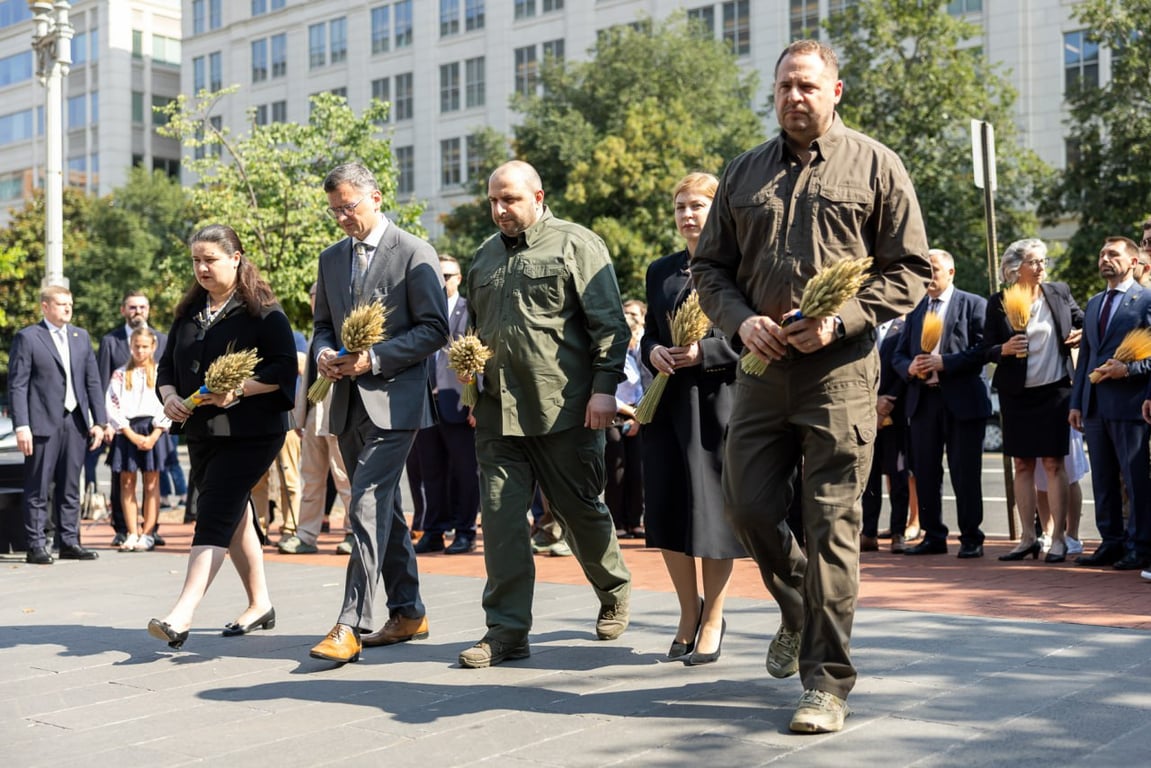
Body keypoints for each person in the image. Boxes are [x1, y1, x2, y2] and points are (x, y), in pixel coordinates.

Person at [690, 41, 930, 732]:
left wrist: (840, 320)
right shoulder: (744, 171)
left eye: (807, 85)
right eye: (783, 87)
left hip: (839, 376)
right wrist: (740, 322)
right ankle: (799, 605)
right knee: (746, 505)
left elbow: (910, 269)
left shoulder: (876, 165)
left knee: (831, 527)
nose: (794, 97)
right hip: (761, 371)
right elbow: (710, 269)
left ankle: (825, 684)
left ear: (835, 91)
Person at [459, 159, 633, 669]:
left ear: (538, 197)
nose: (500, 209)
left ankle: (614, 589)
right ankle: (507, 631)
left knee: (580, 512)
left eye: (510, 199)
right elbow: (474, 332)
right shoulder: (483, 257)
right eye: (493, 201)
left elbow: (610, 327)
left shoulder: (577, 244)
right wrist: (471, 387)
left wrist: (604, 391)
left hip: (565, 410)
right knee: (501, 522)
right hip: (498, 413)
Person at [308, 163, 448, 664]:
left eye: (348, 207)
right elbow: (322, 325)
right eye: (334, 211)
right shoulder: (330, 258)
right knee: (382, 508)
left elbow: (435, 329)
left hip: (397, 404)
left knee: (364, 502)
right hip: (347, 402)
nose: (342, 217)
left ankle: (351, 623)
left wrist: (374, 358)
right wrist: (324, 353)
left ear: (376, 196)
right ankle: (408, 612)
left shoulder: (414, 251)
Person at [149, 224, 297, 650]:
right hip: (201, 431)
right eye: (196, 260)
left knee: (214, 511)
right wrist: (170, 397)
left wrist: (240, 389)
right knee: (235, 513)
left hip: (253, 432)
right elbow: (166, 367)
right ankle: (260, 604)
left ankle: (182, 614)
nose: (201, 268)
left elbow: (284, 369)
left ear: (236, 258)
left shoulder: (264, 312)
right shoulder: (188, 313)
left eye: (210, 260)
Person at [642, 171, 743, 666]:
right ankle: (688, 611)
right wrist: (654, 351)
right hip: (666, 404)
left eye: (697, 206)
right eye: (680, 206)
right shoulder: (661, 271)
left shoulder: (741, 266)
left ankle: (714, 617)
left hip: (718, 404)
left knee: (712, 517)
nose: (687, 215)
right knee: (667, 511)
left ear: (717, 210)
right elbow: (648, 333)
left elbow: (752, 336)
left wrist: (707, 351)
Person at [983, 239, 1083, 563]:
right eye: (1034, 262)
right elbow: (986, 348)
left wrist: (1083, 334)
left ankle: (1059, 539)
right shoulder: (999, 302)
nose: (1041, 268)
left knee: (1054, 463)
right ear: (1015, 269)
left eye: (1043, 261)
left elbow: (1085, 321)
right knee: (1022, 464)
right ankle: (1028, 537)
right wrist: (1002, 350)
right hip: (1017, 394)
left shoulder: (1058, 292)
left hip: (1055, 391)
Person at [894, 249, 991, 559]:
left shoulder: (973, 304)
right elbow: (898, 354)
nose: (929, 275)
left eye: (934, 269)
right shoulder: (916, 309)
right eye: (924, 269)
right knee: (925, 472)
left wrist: (945, 362)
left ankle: (971, 537)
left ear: (951, 272)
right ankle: (933, 535)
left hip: (962, 401)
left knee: (965, 472)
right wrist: (909, 367)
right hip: (924, 402)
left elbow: (984, 349)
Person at [8, 285, 107, 565]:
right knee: (38, 486)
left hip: (75, 422)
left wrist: (99, 421)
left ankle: (69, 541)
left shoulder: (81, 337)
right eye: (62, 304)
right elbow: (18, 385)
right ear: (45, 306)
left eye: (70, 304)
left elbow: (92, 382)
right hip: (42, 423)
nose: (68, 308)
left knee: (70, 486)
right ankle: (36, 544)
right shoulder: (28, 337)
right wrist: (22, 425)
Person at [1076, 236, 1151, 571]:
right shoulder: (1094, 303)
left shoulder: (1145, 300)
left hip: (1131, 404)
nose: (1104, 259)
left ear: (1134, 262)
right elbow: (1086, 357)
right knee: (1103, 479)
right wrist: (1077, 403)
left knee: (1135, 480)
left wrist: (1129, 370)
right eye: (1102, 254)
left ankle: (1140, 546)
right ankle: (1111, 542)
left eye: (1113, 254)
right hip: (1094, 406)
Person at [412, 255, 481, 555]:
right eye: (437, 276)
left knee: (466, 472)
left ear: (459, 278)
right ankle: (434, 531)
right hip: (426, 403)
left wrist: (476, 400)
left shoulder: (470, 310)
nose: (442, 282)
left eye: (447, 276)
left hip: (459, 401)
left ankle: (465, 531)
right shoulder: (422, 310)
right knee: (431, 472)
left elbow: (481, 355)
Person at [279, 282, 355, 556]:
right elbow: (307, 380)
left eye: (318, 297)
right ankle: (306, 535)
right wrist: (300, 419)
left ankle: (353, 532)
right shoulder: (317, 332)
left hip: (336, 414)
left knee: (344, 477)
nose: (315, 302)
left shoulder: (346, 328)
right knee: (311, 478)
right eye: (313, 297)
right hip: (313, 414)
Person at [96, 291, 168, 546]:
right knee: (126, 482)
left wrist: (156, 432)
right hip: (126, 429)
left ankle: (149, 532)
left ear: (153, 347)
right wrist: (123, 429)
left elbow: (166, 401)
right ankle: (130, 531)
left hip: (154, 429)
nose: (140, 350)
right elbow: (111, 401)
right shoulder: (118, 372)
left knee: (152, 482)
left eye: (145, 347)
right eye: (136, 346)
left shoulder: (160, 369)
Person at [860, 317, 913, 553]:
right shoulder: (863, 329)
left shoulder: (904, 328)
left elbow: (904, 368)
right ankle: (869, 532)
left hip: (896, 413)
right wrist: (872, 403)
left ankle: (898, 532)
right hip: (865, 412)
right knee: (869, 476)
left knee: (898, 474)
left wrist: (888, 402)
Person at [604, 298, 646, 540]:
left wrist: (638, 414)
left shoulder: (636, 353)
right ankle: (617, 521)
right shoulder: (611, 353)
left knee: (635, 470)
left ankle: (634, 521)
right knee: (616, 469)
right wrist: (630, 412)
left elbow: (642, 384)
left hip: (636, 414)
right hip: (614, 414)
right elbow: (608, 388)